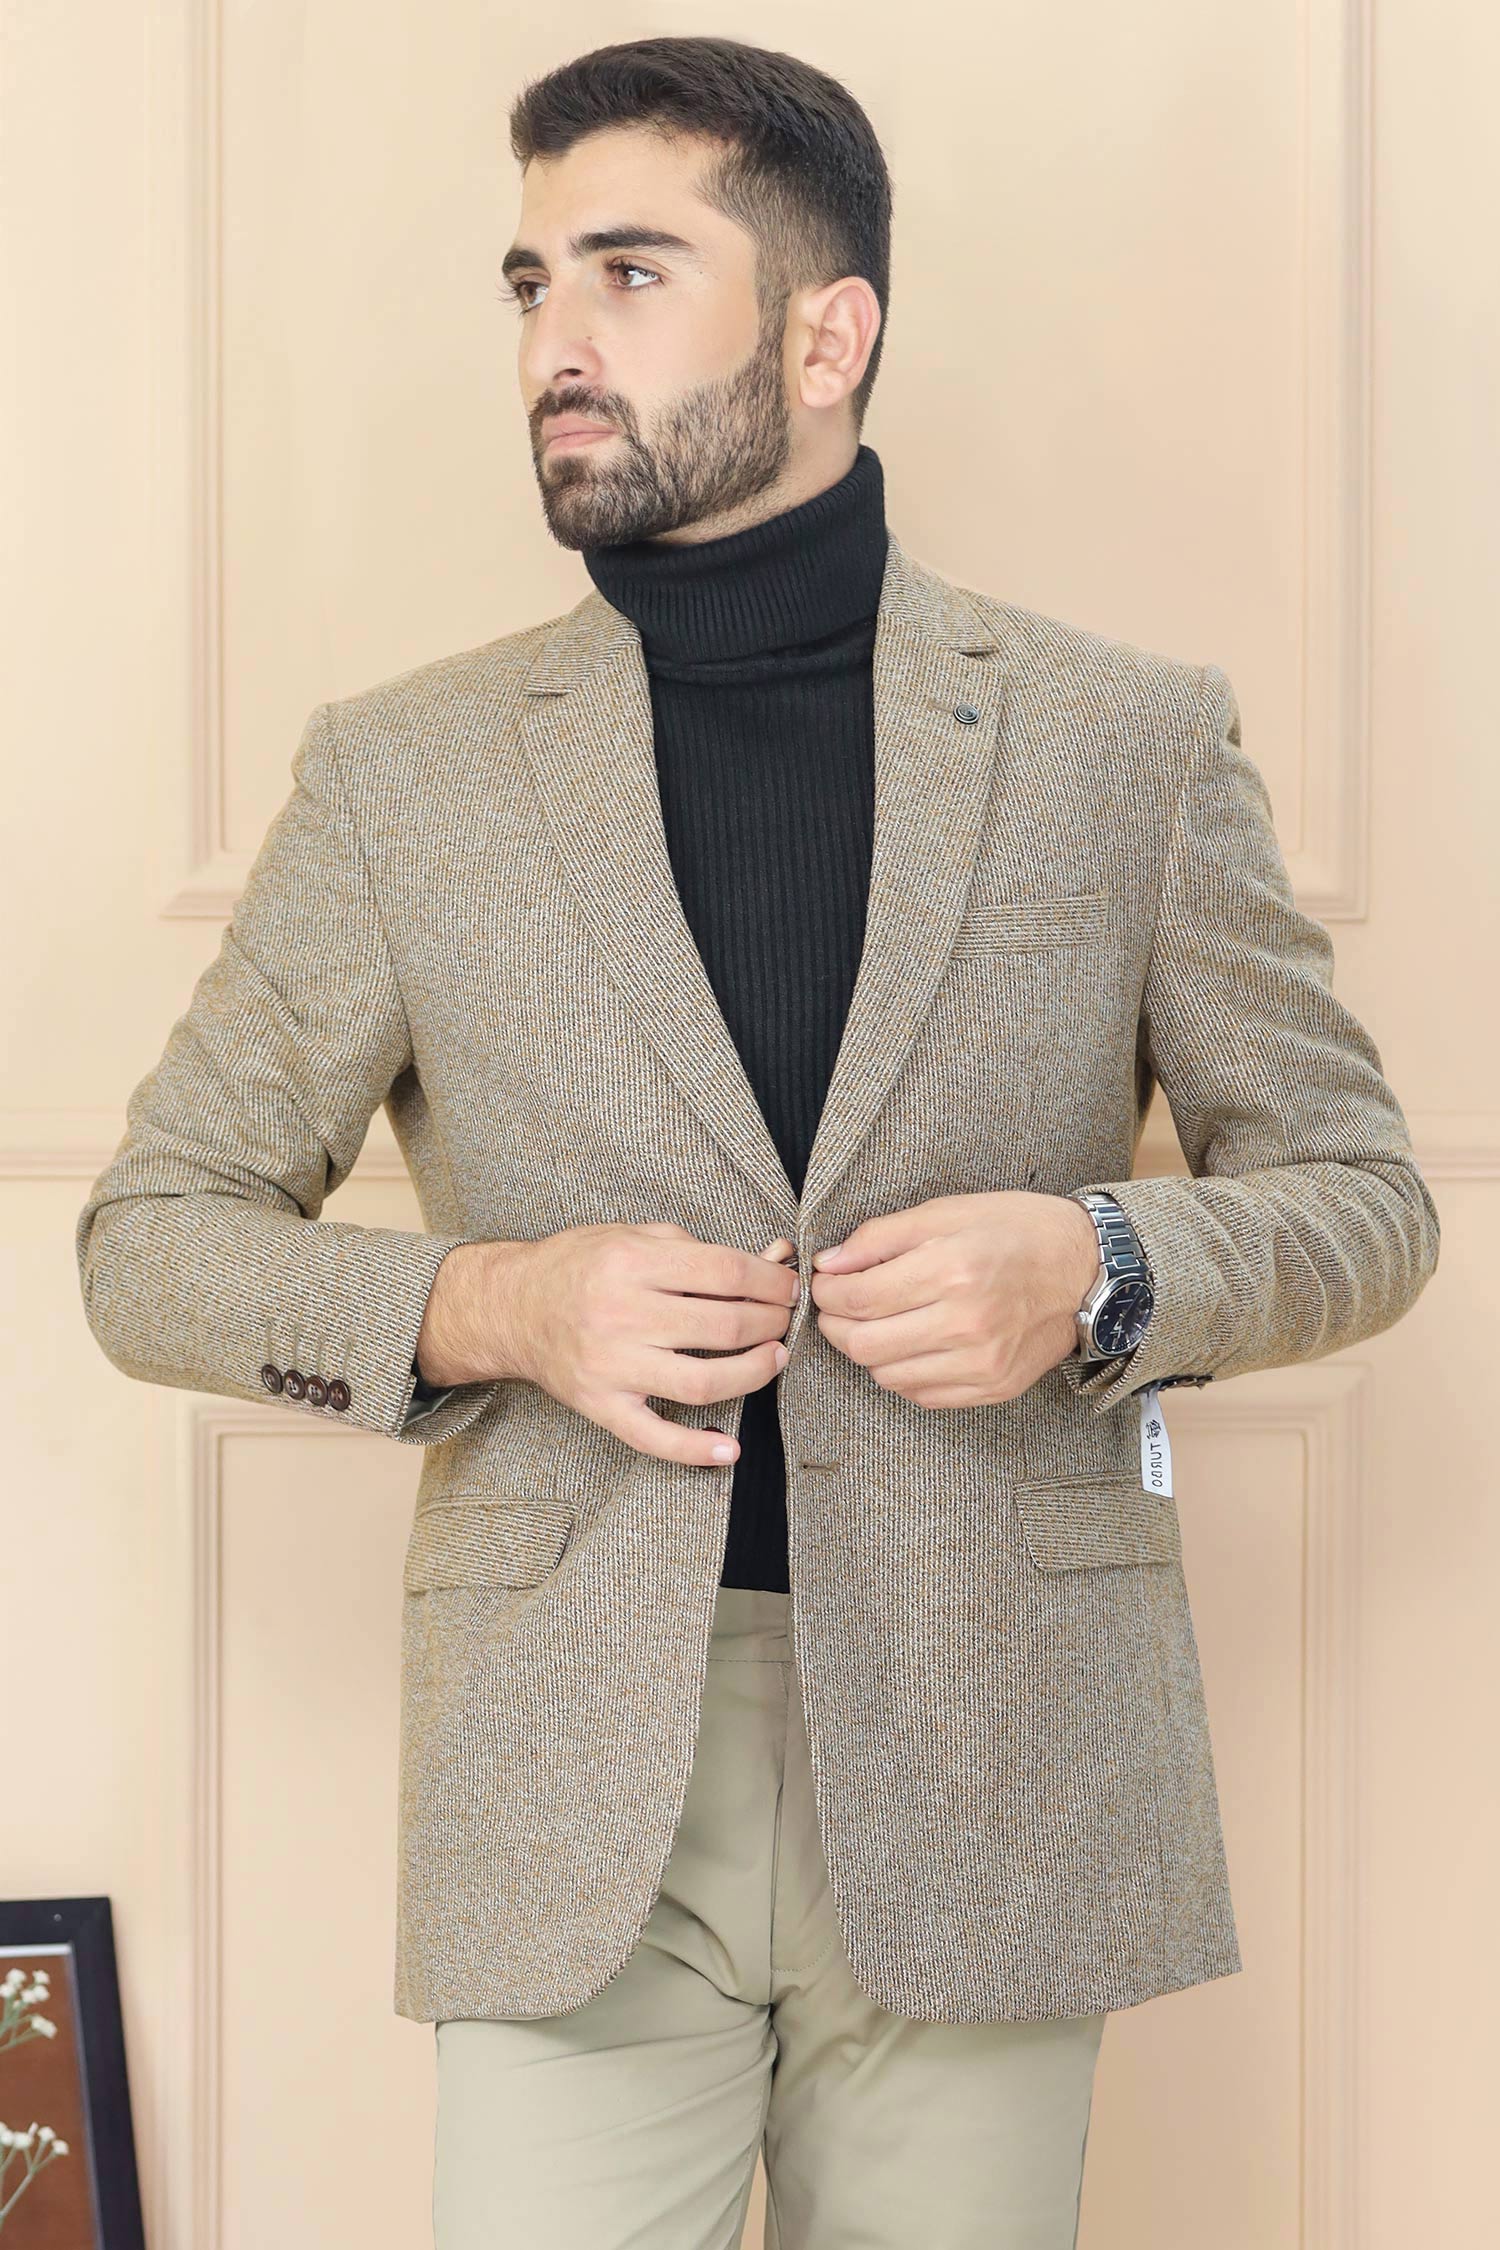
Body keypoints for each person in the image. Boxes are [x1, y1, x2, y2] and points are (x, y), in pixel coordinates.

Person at [74, 33, 1440, 2249]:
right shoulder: (406, 776)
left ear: (829, 333)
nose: (557, 341)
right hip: (574, 1767)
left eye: (629, 273)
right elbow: (151, 1240)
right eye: (531, 283)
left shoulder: (1122, 743)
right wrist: (494, 1301)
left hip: (997, 1745)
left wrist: (1097, 1263)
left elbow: (1364, 1200)